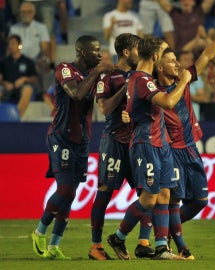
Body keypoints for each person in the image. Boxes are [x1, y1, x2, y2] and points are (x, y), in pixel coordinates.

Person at [154, 9, 215, 258]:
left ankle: (164, 231)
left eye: (177, 60)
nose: (177, 64)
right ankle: (176, 244)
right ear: (158, 66)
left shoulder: (185, 76)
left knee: (200, 200)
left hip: (190, 148)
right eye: (172, 61)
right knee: (173, 202)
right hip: (171, 151)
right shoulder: (153, 89)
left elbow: (207, 55)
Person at [106, 35, 191, 260]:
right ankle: (119, 237)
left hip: (159, 141)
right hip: (146, 143)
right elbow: (168, 102)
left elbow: (134, 106)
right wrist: (183, 81)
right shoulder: (142, 79)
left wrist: (130, 114)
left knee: (164, 193)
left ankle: (162, 247)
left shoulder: (139, 78)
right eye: (162, 53)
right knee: (149, 198)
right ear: (154, 56)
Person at [31, 35, 114, 260]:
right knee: (65, 190)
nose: (99, 54)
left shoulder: (93, 75)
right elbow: (76, 93)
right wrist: (98, 73)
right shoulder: (65, 69)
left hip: (82, 140)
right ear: (82, 52)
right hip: (61, 137)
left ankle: (54, 245)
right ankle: (39, 232)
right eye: (96, 50)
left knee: (71, 193)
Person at [89, 33, 155, 260]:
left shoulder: (143, 75)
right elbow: (104, 108)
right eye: (138, 49)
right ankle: (96, 246)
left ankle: (143, 243)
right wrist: (125, 87)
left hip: (138, 141)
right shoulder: (108, 76)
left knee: (147, 192)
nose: (141, 53)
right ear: (127, 52)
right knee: (105, 191)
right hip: (115, 140)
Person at [0, 34, 37, 118]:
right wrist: (4, 83)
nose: (10, 46)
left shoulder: (28, 61)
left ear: (19, 45)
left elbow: (34, 79)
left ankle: (16, 117)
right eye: (9, 44)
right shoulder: (3, 61)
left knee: (28, 89)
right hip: (7, 88)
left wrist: (24, 79)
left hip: (21, 88)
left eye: (13, 44)